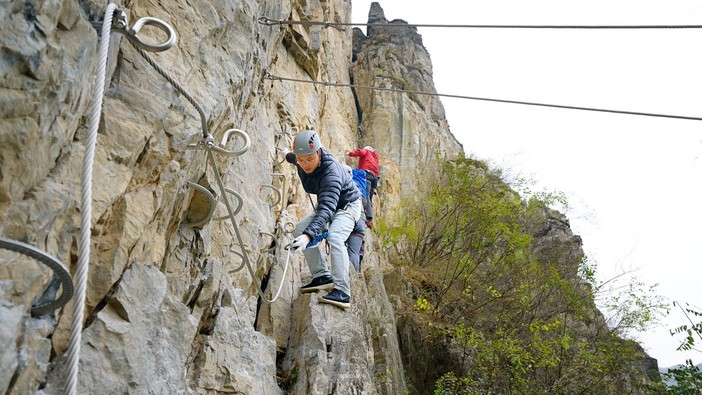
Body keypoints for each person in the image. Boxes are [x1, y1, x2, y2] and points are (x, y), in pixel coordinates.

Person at [284, 130, 362, 309]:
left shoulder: (331, 173)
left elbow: (326, 209)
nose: (305, 165)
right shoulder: (300, 159)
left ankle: (342, 292)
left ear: (319, 152)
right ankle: (321, 276)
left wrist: (309, 237)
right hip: (329, 203)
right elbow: (293, 157)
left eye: (310, 159)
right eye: (301, 160)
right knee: (298, 230)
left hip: (347, 205)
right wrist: (286, 155)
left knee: (335, 237)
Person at [347, 146, 379, 228]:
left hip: (367, 175)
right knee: (369, 198)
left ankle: (367, 218)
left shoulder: (367, 151)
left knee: (366, 195)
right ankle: (369, 218)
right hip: (374, 178)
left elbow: (360, 152)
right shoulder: (375, 157)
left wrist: (350, 153)